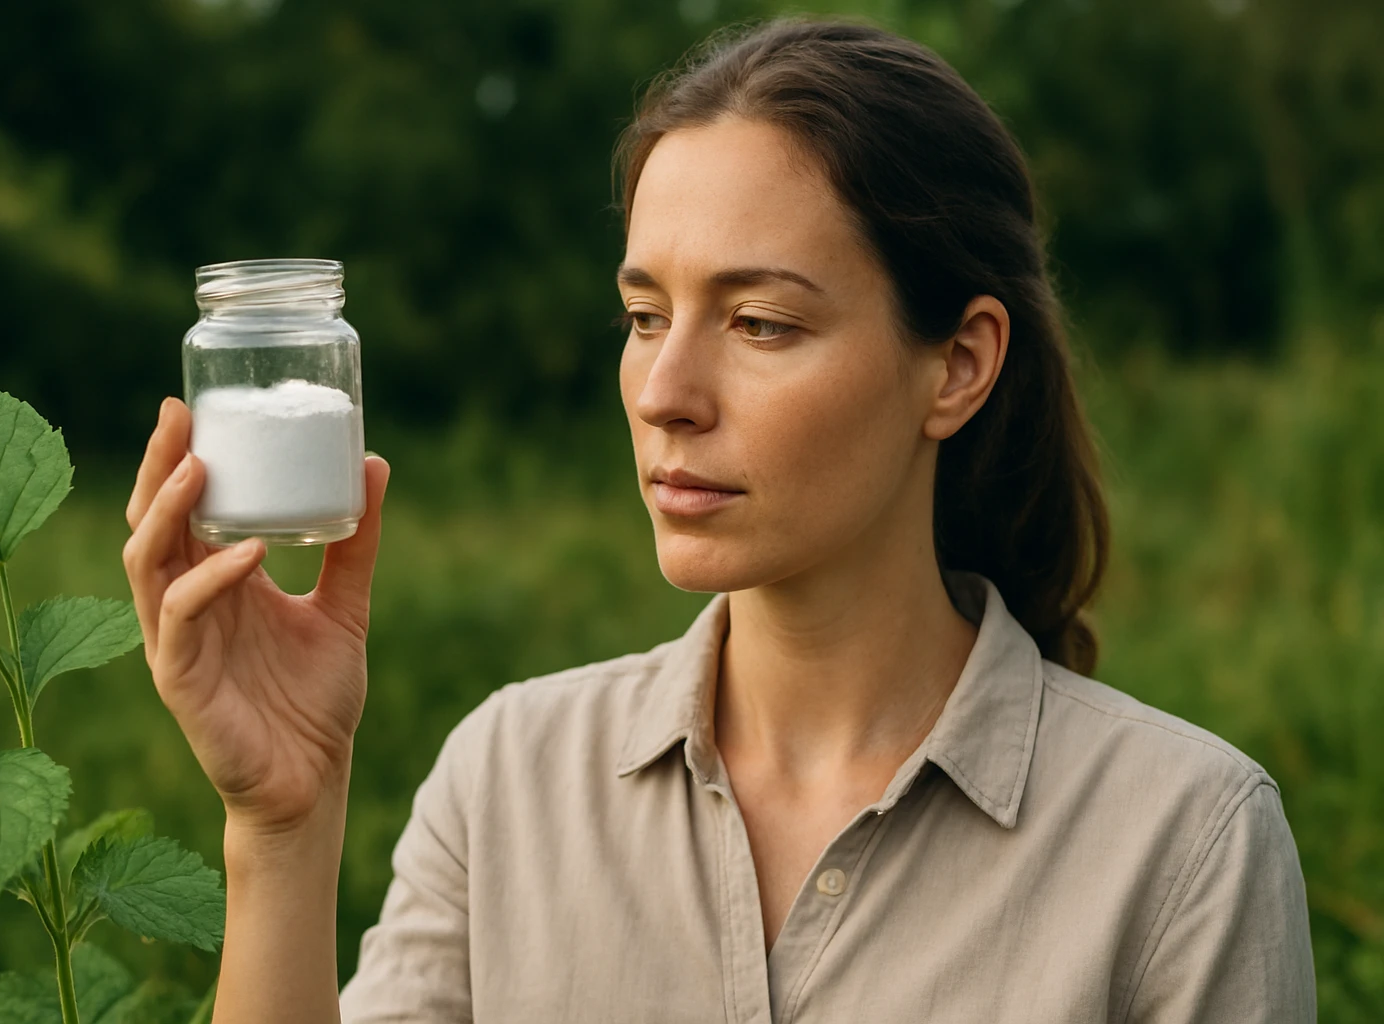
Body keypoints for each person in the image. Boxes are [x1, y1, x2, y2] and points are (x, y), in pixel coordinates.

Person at [121, 15, 1316, 1024]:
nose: (664, 394)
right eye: (646, 316)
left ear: (958, 365)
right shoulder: (509, 780)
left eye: (761, 324)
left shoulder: (1182, 839)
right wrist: (282, 824)